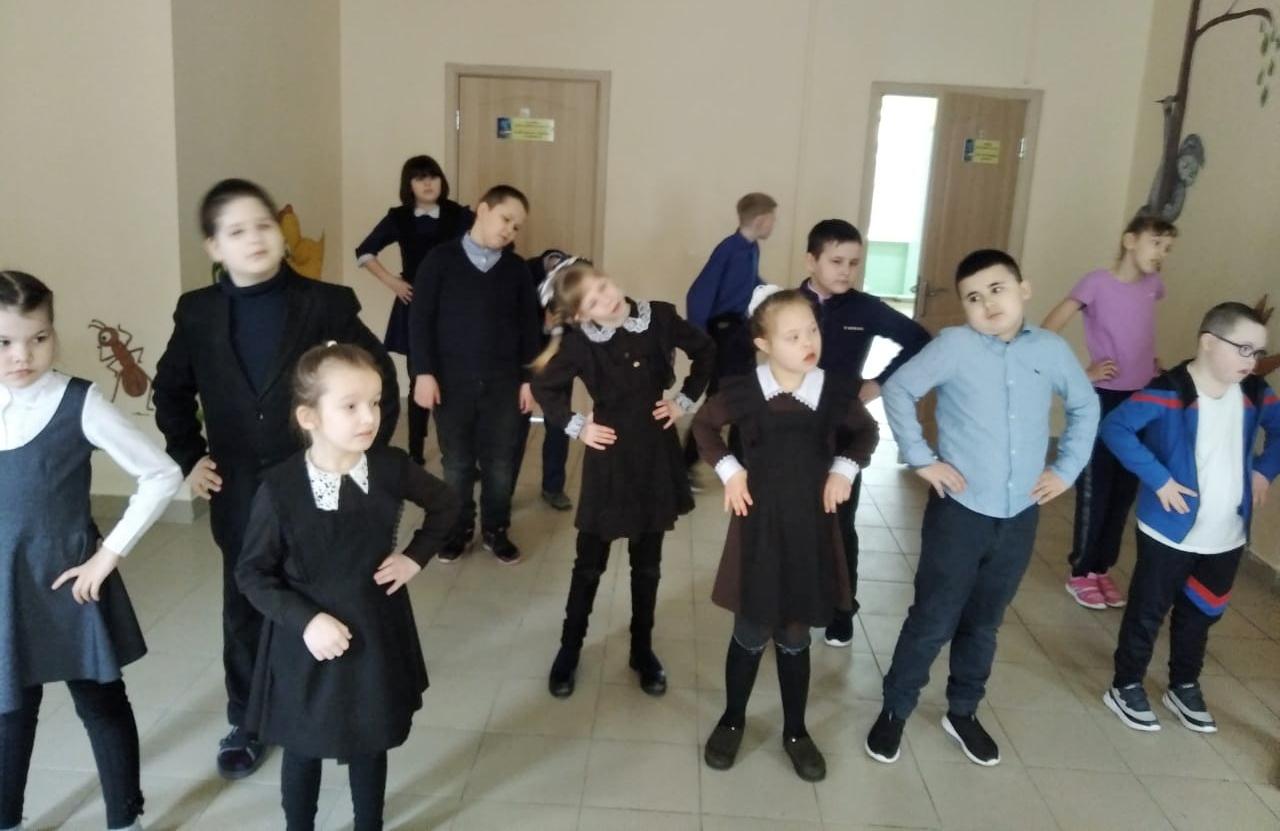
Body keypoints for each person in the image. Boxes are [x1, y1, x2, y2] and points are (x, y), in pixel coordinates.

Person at [153, 178, 399, 779]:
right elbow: (171, 389)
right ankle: (247, 718)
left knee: (325, 597)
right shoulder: (198, 311)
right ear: (214, 247)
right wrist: (189, 456)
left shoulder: (326, 303)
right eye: (236, 231)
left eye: (263, 225)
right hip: (238, 488)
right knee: (246, 602)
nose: (254, 239)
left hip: (316, 485)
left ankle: (326, 705)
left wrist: (361, 454)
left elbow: (381, 380)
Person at [866, 250, 1098, 767]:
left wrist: (1065, 470)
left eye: (997, 289)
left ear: (1023, 289)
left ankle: (963, 710)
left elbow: (1085, 406)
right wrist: (921, 458)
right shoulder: (954, 346)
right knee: (933, 617)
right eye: (973, 297)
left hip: (1019, 515)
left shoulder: (1051, 350)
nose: (988, 304)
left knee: (985, 621)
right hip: (959, 512)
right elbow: (899, 390)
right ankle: (895, 709)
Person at [237, 342, 458, 830]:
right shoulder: (280, 487)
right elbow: (252, 573)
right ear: (309, 417)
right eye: (351, 406)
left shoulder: (390, 468)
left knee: (370, 740)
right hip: (305, 643)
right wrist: (306, 621)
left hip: (374, 631)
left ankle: (368, 824)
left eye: (375, 402)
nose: (369, 417)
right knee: (302, 746)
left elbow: (446, 504)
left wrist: (414, 558)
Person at [0, 270, 182, 831]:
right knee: (10, 709)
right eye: (4, 342)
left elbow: (161, 473)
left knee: (100, 701)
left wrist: (108, 556)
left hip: (70, 582)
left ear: (54, 334)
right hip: (7, 585)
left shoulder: (78, 401)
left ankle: (124, 817)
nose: (22, 355)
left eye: (38, 338)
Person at [695, 286, 879, 782]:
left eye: (811, 331)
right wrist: (731, 471)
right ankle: (733, 719)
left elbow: (866, 432)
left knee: (796, 632)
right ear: (763, 344)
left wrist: (844, 469)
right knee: (751, 627)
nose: (807, 342)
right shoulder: (744, 390)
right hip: (758, 528)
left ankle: (796, 731)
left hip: (810, 530)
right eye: (792, 336)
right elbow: (704, 428)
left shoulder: (833, 390)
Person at [531, 259, 714, 698]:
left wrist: (684, 400)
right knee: (589, 564)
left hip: (655, 454)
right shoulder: (580, 344)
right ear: (581, 315)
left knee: (647, 563)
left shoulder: (659, 317)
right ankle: (569, 649)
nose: (607, 298)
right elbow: (544, 388)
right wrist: (578, 427)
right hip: (609, 458)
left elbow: (707, 349)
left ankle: (642, 649)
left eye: (603, 285)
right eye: (593, 300)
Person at [1099, 302, 1277, 734]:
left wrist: (1264, 470)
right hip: (1168, 532)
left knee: (1201, 613)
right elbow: (1116, 428)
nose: (1252, 360)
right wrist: (1158, 479)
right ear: (1209, 343)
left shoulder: (1255, 393)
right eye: (1244, 349)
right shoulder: (1169, 391)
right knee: (1148, 611)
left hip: (1227, 536)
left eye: (1258, 352)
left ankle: (1183, 684)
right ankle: (1125, 684)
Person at [797, 219, 931, 644]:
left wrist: (877, 383)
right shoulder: (787, 304)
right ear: (812, 261)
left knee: (839, 523)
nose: (846, 271)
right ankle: (791, 603)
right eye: (836, 261)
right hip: (793, 432)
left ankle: (842, 608)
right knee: (793, 521)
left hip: (843, 432)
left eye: (853, 263)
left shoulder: (865, 308)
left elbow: (919, 339)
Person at [1042, 214, 1177, 609]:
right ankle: (1081, 571)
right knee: (1096, 487)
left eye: (1168, 248)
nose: (1162, 253)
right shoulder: (1096, 282)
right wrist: (1081, 374)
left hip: (1141, 401)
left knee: (1123, 489)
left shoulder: (1153, 286)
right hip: (1103, 398)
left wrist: (1150, 361)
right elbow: (1048, 330)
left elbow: (1137, 331)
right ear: (1130, 240)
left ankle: (1102, 568)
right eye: (1156, 243)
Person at [409, 185, 540, 563]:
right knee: (457, 462)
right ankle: (458, 528)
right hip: (451, 384)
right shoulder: (440, 260)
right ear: (483, 210)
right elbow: (420, 321)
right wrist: (423, 373)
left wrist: (529, 380)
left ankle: (496, 529)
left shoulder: (515, 270)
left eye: (516, 227)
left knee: (500, 463)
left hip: (504, 384)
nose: (510, 231)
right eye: (506, 219)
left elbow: (529, 328)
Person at [355, 155, 474, 464]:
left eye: (433, 176)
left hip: (454, 307)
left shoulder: (459, 215)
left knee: (453, 380)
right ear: (409, 185)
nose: (428, 183)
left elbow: (487, 246)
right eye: (420, 178)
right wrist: (392, 282)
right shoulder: (399, 217)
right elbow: (365, 251)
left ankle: (455, 454)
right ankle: (415, 454)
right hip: (414, 305)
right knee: (418, 375)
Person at [682, 192, 777, 473]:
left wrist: (772, 294)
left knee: (744, 394)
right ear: (760, 220)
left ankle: (739, 458)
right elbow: (699, 293)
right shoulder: (728, 249)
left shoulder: (752, 249)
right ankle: (685, 462)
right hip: (722, 335)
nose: (773, 225)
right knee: (721, 398)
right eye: (772, 219)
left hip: (740, 331)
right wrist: (700, 339)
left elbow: (751, 282)